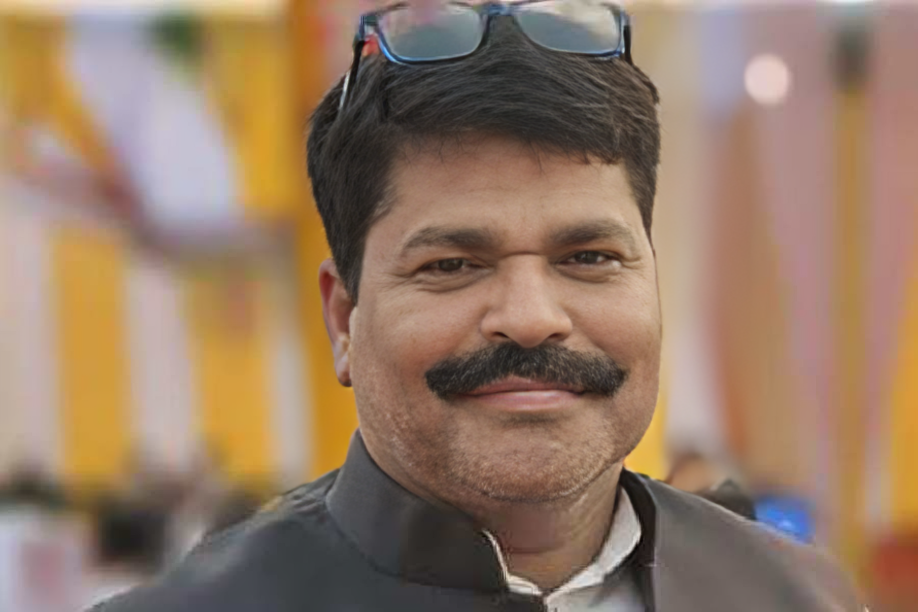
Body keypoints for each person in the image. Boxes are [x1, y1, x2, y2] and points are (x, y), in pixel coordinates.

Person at [91, 2, 864, 611]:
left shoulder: (793, 595)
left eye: (589, 258)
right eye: (452, 265)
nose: (530, 317)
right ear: (343, 320)